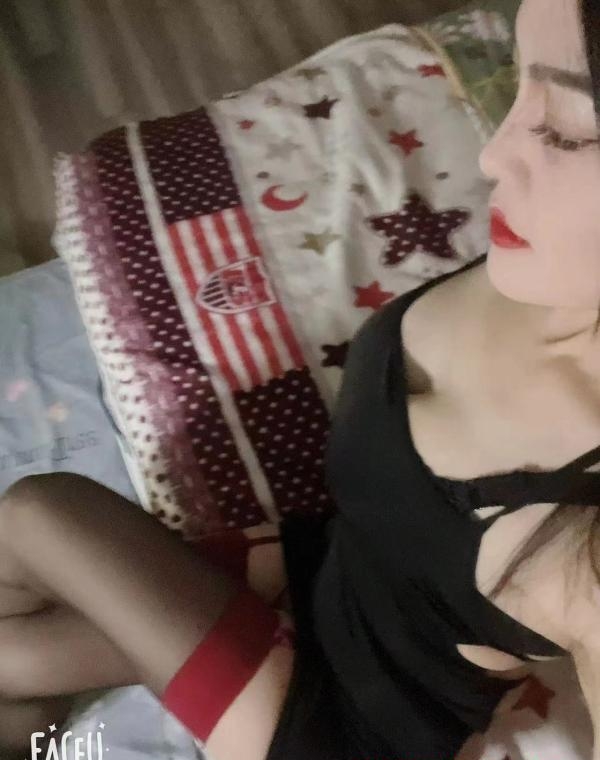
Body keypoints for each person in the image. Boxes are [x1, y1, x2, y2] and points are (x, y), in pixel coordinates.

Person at [2, 0, 600, 757]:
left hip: (338, 723)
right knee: (15, 649)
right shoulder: (551, 258)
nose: (492, 155)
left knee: (36, 516)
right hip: (332, 573)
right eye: (517, 86)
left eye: (566, 128)